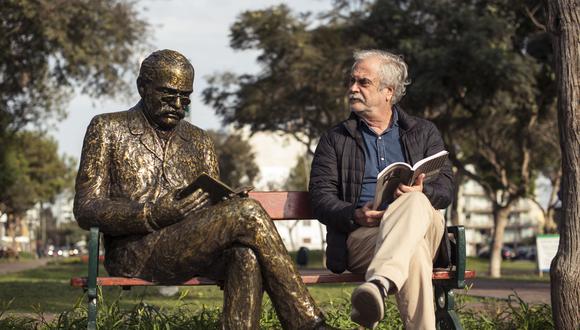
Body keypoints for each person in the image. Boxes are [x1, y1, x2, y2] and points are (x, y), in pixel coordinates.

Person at [74, 49, 334, 330]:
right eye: (168, 94)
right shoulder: (107, 128)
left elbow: (211, 209)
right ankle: (307, 323)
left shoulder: (199, 140)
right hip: (134, 251)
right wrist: (151, 214)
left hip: (194, 247)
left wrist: (227, 203)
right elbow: (86, 207)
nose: (177, 104)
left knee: (244, 254)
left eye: (185, 98)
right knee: (246, 212)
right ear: (142, 87)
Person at [309, 49, 453, 329]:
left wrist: (422, 193)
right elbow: (320, 198)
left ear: (389, 91)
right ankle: (381, 284)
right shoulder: (335, 139)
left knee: (413, 202)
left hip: (425, 225)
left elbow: (446, 188)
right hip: (365, 236)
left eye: (363, 82)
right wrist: (355, 214)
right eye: (352, 81)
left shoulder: (423, 132)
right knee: (414, 253)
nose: (352, 88)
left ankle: (378, 282)